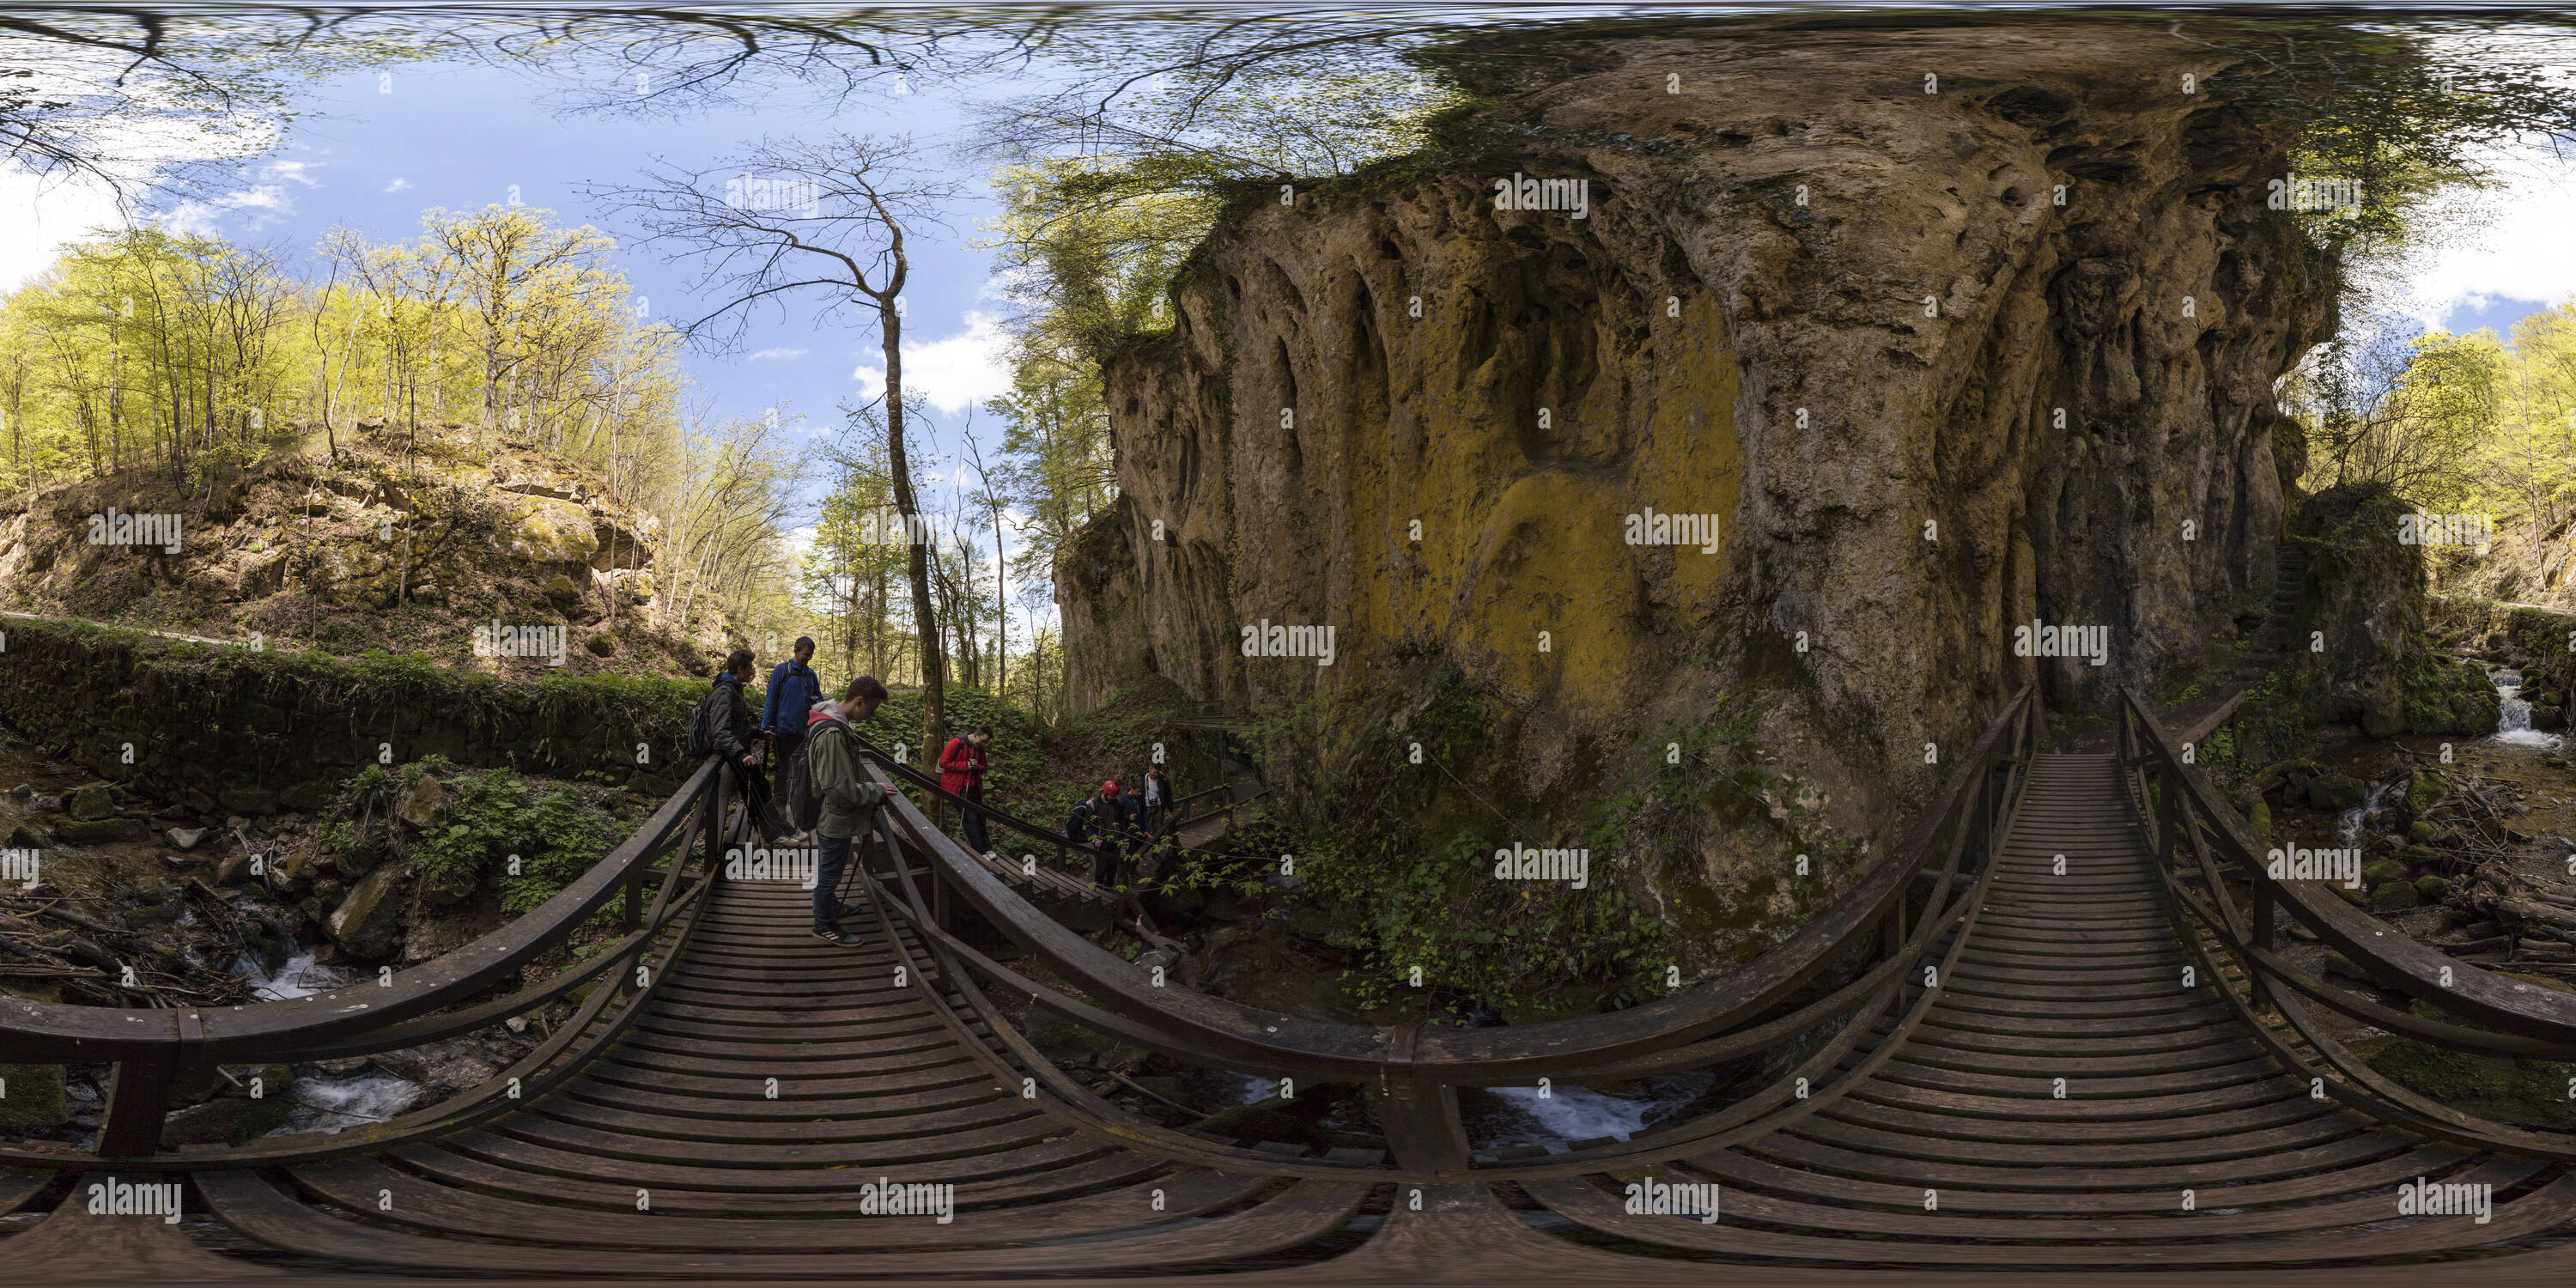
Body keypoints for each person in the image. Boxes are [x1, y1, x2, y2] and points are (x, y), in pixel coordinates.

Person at [805, 676, 891, 946]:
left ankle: (831, 907)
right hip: (833, 815)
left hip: (832, 814)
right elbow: (840, 790)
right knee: (830, 872)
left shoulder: (834, 723)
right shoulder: (832, 733)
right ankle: (824, 924)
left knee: (832, 867)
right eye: (872, 709)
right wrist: (874, 791)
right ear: (859, 701)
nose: (871, 715)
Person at [699, 648, 781, 844]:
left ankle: (766, 831)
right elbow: (721, 732)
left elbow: (738, 725)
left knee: (757, 790)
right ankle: (771, 834)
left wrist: (759, 733)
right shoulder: (724, 692)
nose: (752, 671)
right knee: (760, 788)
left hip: (736, 751)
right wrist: (742, 754)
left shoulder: (732, 688)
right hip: (733, 753)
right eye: (750, 667)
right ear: (740, 669)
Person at [763, 638, 824, 839]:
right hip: (782, 730)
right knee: (782, 769)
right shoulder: (782, 671)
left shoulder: (810, 675)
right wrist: (767, 726)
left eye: (811, 655)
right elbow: (771, 698)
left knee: (800, 770)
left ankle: (798, 807)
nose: (808, 658)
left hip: (803, 731)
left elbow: (818, 701)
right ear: (796, 651)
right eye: (806, 654)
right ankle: (780, 806)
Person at [939, 725, 993, 855]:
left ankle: (988, 849)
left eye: (986, 742)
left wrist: (976, 766)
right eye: (983, 741)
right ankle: (979, 852)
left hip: (974, 787)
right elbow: (943, 763)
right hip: (959, 788)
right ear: (976, 734)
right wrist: (965, 765)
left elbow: (984, 767)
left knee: (981, 817)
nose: (983, 744)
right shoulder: (957, 743)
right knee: (971, 820)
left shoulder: (980, 749)